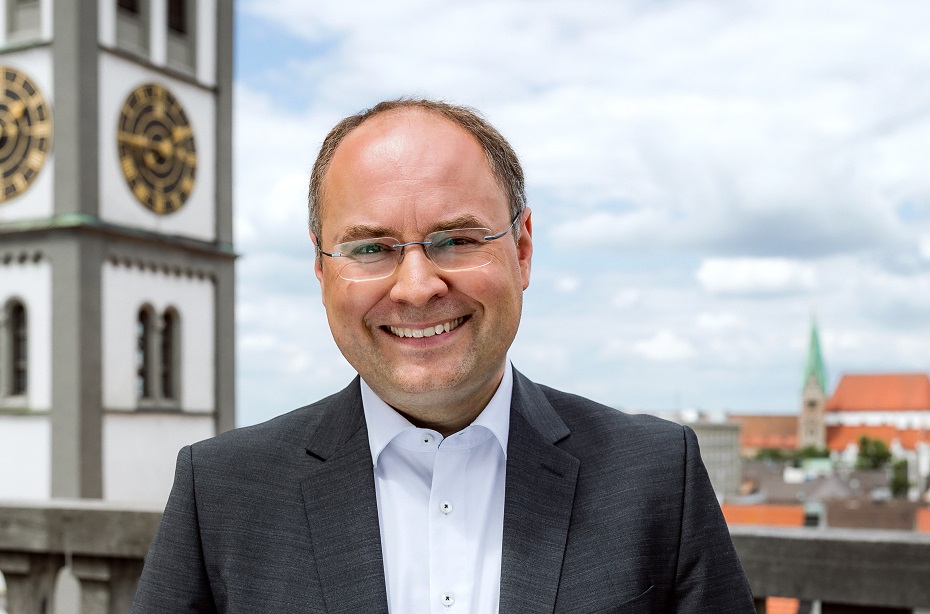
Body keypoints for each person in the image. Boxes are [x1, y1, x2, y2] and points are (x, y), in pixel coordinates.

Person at [132, 99, 755, 613]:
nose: (417, 285)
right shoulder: (221, 491)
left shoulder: (654, 477)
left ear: (524, 249)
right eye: (371, 248)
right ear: (322, 270)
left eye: (455, 239)